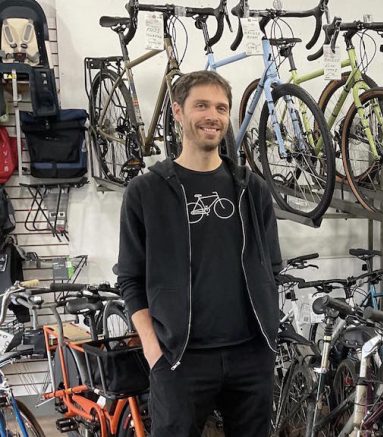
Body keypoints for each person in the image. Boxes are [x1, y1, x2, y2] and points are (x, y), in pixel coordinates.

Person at [117, 70, 281, 436]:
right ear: (177, 111)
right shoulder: (146, 192)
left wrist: (269, 336)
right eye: (202, 105)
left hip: (251, 356)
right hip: (179, 359)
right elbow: (130, 279)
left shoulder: (251, 188)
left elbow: (272, 267)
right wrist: (153, 351)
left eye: (221, 108)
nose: (213, 116)